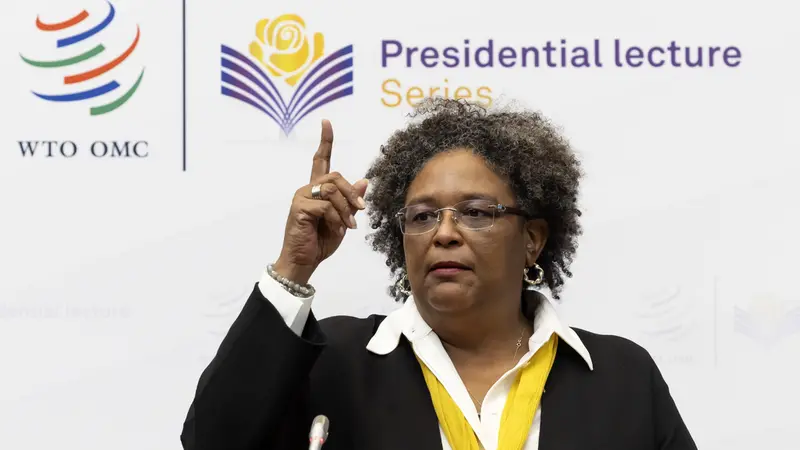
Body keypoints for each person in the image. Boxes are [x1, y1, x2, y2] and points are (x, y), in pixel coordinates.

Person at [180, 98, 697, 450]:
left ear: (532, 239)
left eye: (475, 212)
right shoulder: (333, 362)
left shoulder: (620, 376)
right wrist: (294, 266)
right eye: (423, 216)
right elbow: (212, 440)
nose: (444, 233)